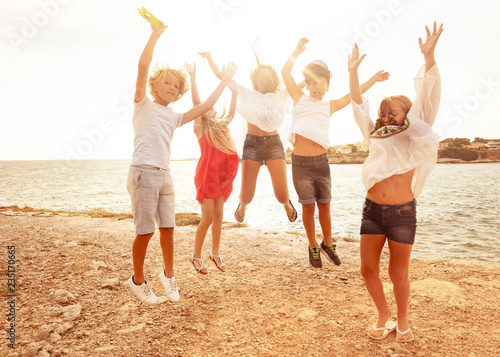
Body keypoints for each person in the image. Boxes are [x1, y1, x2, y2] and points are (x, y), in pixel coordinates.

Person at [124, 22, 237, 305]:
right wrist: (154, 35)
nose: (172, 88)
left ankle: (169, 276)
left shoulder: (175, 117)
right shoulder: (143, 104)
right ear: (154, 86)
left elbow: (206, 106)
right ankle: (137, 280)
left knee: (168, 228)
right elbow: (142, 65)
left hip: (165, 175)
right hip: (143, 172)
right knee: (145, 231)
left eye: (177, 86)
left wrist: (224, 81)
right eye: (167, 83)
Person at [348, 22, 444, 342]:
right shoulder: (374, 134)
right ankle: (383, 314)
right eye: (384, 113)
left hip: (403, 212)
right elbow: (357, 103)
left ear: (407, 114)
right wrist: (352, 72)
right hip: (372, 210)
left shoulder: (417, 130)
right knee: (367, 269)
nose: (388, 118)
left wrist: (429, 59)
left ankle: (402, 320)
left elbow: (428, 96)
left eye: (394, 113)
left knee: (397, 272)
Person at [282, 37, 389, 268]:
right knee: (308, 207)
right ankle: (312, 245)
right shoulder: (298, 98)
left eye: (322, 83)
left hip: (322, 162)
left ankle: (328, 242)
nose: (318, 87)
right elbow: (285, 72)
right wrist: (296, 51)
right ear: (307, 85)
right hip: (300, 163)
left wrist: (373, 79)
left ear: (328, 86)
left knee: (325, 207)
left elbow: (353, 94)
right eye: (313, 84)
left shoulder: (329, 105)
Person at [199, 48, 298, 224]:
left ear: (274, 80)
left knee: (281, 193)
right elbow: (222, 77)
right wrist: (210, 58)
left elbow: (302, 84)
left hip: (274, 144)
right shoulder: (247, 93)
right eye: (262, 76)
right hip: (252, 144)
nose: (266, 79)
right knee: (247, 195)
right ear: (256, 79)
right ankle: (242, 206)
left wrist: (297, 52)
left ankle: (286, 204)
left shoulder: (279, 95)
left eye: (269, 76)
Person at [184, 62, 239, 274]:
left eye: (214, 107)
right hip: (207, 176)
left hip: (221, 176)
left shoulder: (222, 128)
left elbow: (232, 112)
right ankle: (195, 256)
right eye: (209, 108)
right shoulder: (200, 127)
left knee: (218, 217)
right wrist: (193, 76)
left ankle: (215, 253)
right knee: (207, 217)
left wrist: (233, 92)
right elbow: (198, 102)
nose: (212, 109)